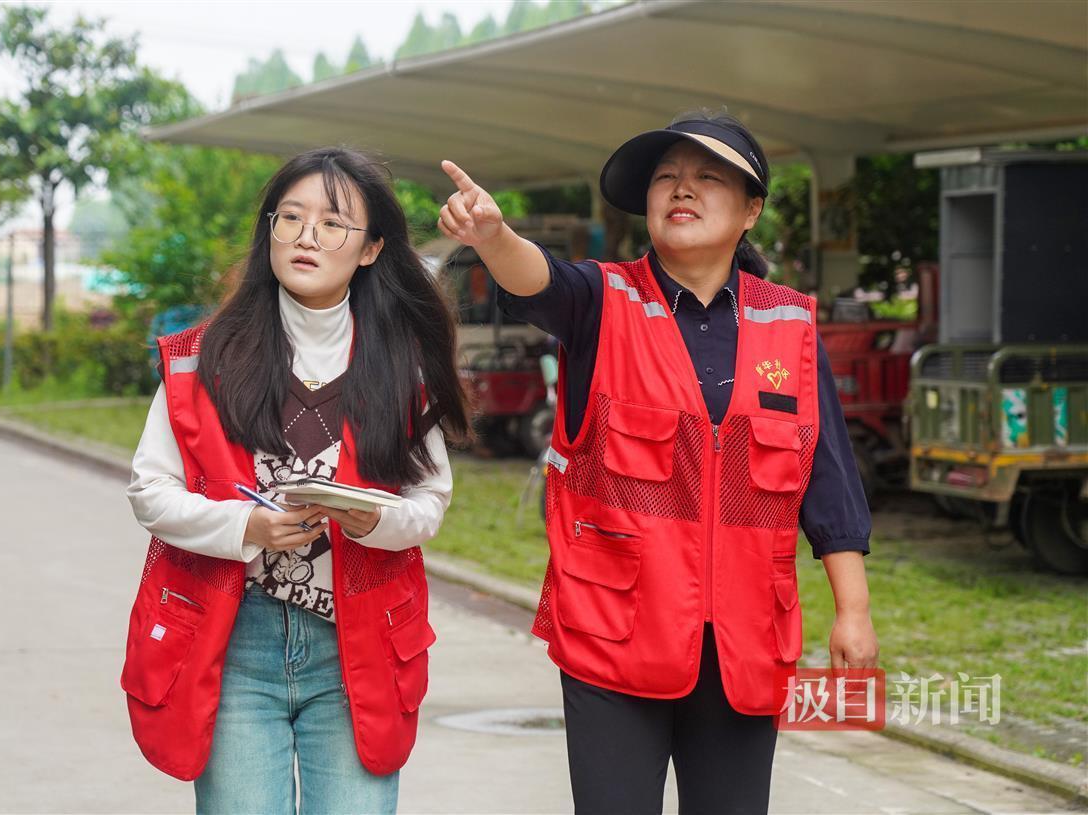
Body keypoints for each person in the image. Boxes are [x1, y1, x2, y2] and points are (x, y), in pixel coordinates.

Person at [438, 110, 877, 814]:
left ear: (751, 211)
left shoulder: (790, 324)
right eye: (666, 177)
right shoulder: (600, 300)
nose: (682, 188)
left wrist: (852, 610)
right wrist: (493, 237)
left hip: (744, 644)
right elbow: (537, 280)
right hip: (613, 634)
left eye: (708, 178)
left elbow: (829, 478)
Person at [122, 147, 472, 814]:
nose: (307, 236)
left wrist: (375, 520)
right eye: (292, 217)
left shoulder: (401, 366)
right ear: (270, 230)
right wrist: (246, 526)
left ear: (371, 248)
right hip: (234, 641)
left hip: (358, 646)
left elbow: (429, 501)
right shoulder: (202, 358)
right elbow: (151, 490)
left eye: (333, 223)